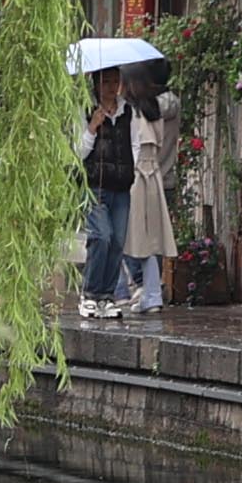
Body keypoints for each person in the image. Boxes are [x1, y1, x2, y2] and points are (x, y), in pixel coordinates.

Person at [78, 70, 135, 320]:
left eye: (115, 82)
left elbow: (135, 145)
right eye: (106, 82)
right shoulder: (86, 111)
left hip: (122, 187)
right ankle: (89, 294)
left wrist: (134, 172)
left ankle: (107, 296)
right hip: (95, 186)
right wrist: (92, 128)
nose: (112, 87)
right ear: (96, 84)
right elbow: (78, 152)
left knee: (118, 242)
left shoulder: (127, 112)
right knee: (102, 236)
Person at [124, 66, 178, 317]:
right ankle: (151, 292)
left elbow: (135, 148)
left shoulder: (134, 113)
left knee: (134, 236)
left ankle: (143, 289)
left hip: (137, 178)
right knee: (153, 238)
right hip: (156, 176)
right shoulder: (156, 109)